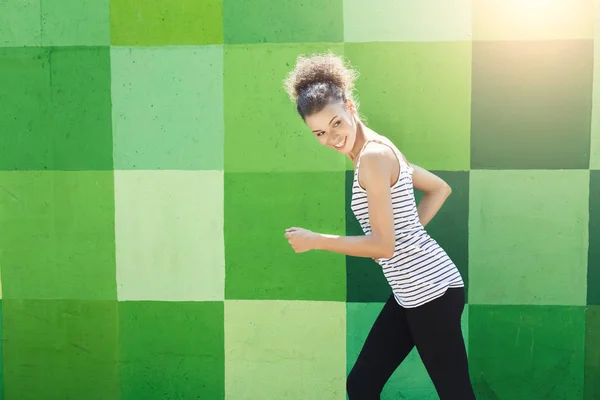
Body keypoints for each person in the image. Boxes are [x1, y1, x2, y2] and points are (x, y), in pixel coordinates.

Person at [282, 52, 476, 400]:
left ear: (350, 107)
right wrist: (396, 237)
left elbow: (384, 246)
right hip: (412, 292)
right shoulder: (381, 149)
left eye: (337, 123)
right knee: (362, 384)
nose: (331, 138)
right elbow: (438, 189)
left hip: (430, 291)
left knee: (455, 393)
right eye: (319, 133)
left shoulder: (372, 157)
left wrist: (316, 240)